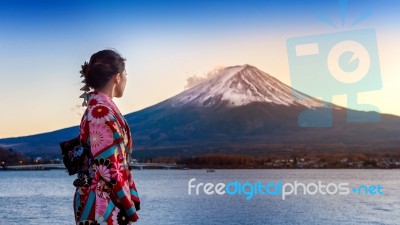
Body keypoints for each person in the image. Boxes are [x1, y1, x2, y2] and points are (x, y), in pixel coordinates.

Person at [74, 49, 140, 225]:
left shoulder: (99, 108)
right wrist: (127, 204)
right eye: (126, 73)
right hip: (103, 201)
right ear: (117, 77)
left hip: (100, 195)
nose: (126, 78)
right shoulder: (101, 112)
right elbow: (109, 164)